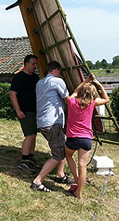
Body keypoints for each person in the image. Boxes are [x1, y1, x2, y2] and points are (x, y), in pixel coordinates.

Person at [31, 61, 74, 192]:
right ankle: (38, 181)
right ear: (56, 70)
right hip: (52, 123)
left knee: (62, 146)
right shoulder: (57, 81)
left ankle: (60, 175)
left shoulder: (40, 83)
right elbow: (68, 100)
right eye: (59, 72)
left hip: (43, 123)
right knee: (58, 154)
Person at [65, 74, 109, 199]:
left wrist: (86, 81)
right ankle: (79, 192)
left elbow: (75, 91)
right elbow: (106, 99)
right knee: (83, 165)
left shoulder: (72, 101)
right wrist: (99, 85)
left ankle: (77, 179)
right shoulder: (92, 103)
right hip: (86, 139)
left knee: (68, 155)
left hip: (73, 138)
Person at [10, 54, 39, 173]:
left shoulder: (35, 77)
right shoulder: (19, 77)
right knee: (30, 135)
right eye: (33, 64)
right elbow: (13, 94)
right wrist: (18, 110)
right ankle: (24, 161)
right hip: (25, 111)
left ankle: (30, 158)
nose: (35, 66)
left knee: (34, 135)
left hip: (35, 110)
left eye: (36, 64)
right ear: (26, 64)